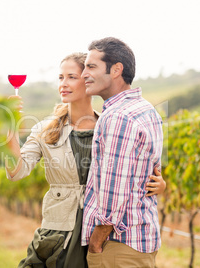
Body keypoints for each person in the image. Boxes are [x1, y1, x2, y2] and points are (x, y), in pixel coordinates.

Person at [5, 52, 165, 268]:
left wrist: (159, 184)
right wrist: (10, 130)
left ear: (88, 80)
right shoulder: (45, 129)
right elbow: (17, 172)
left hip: (100, 232)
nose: (63, 84)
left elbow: (130, 172)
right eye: (60, 78)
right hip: (58, 230)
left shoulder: (110, 125)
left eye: (71, 77)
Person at [81, 37, 164, 268]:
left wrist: (96, 240)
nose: (83, 74)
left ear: (116, 69)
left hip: (116, 244)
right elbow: (152, 171)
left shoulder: (117, 117)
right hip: (142, 238)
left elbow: (114, 189)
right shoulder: (146, 109)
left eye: (91, 66)